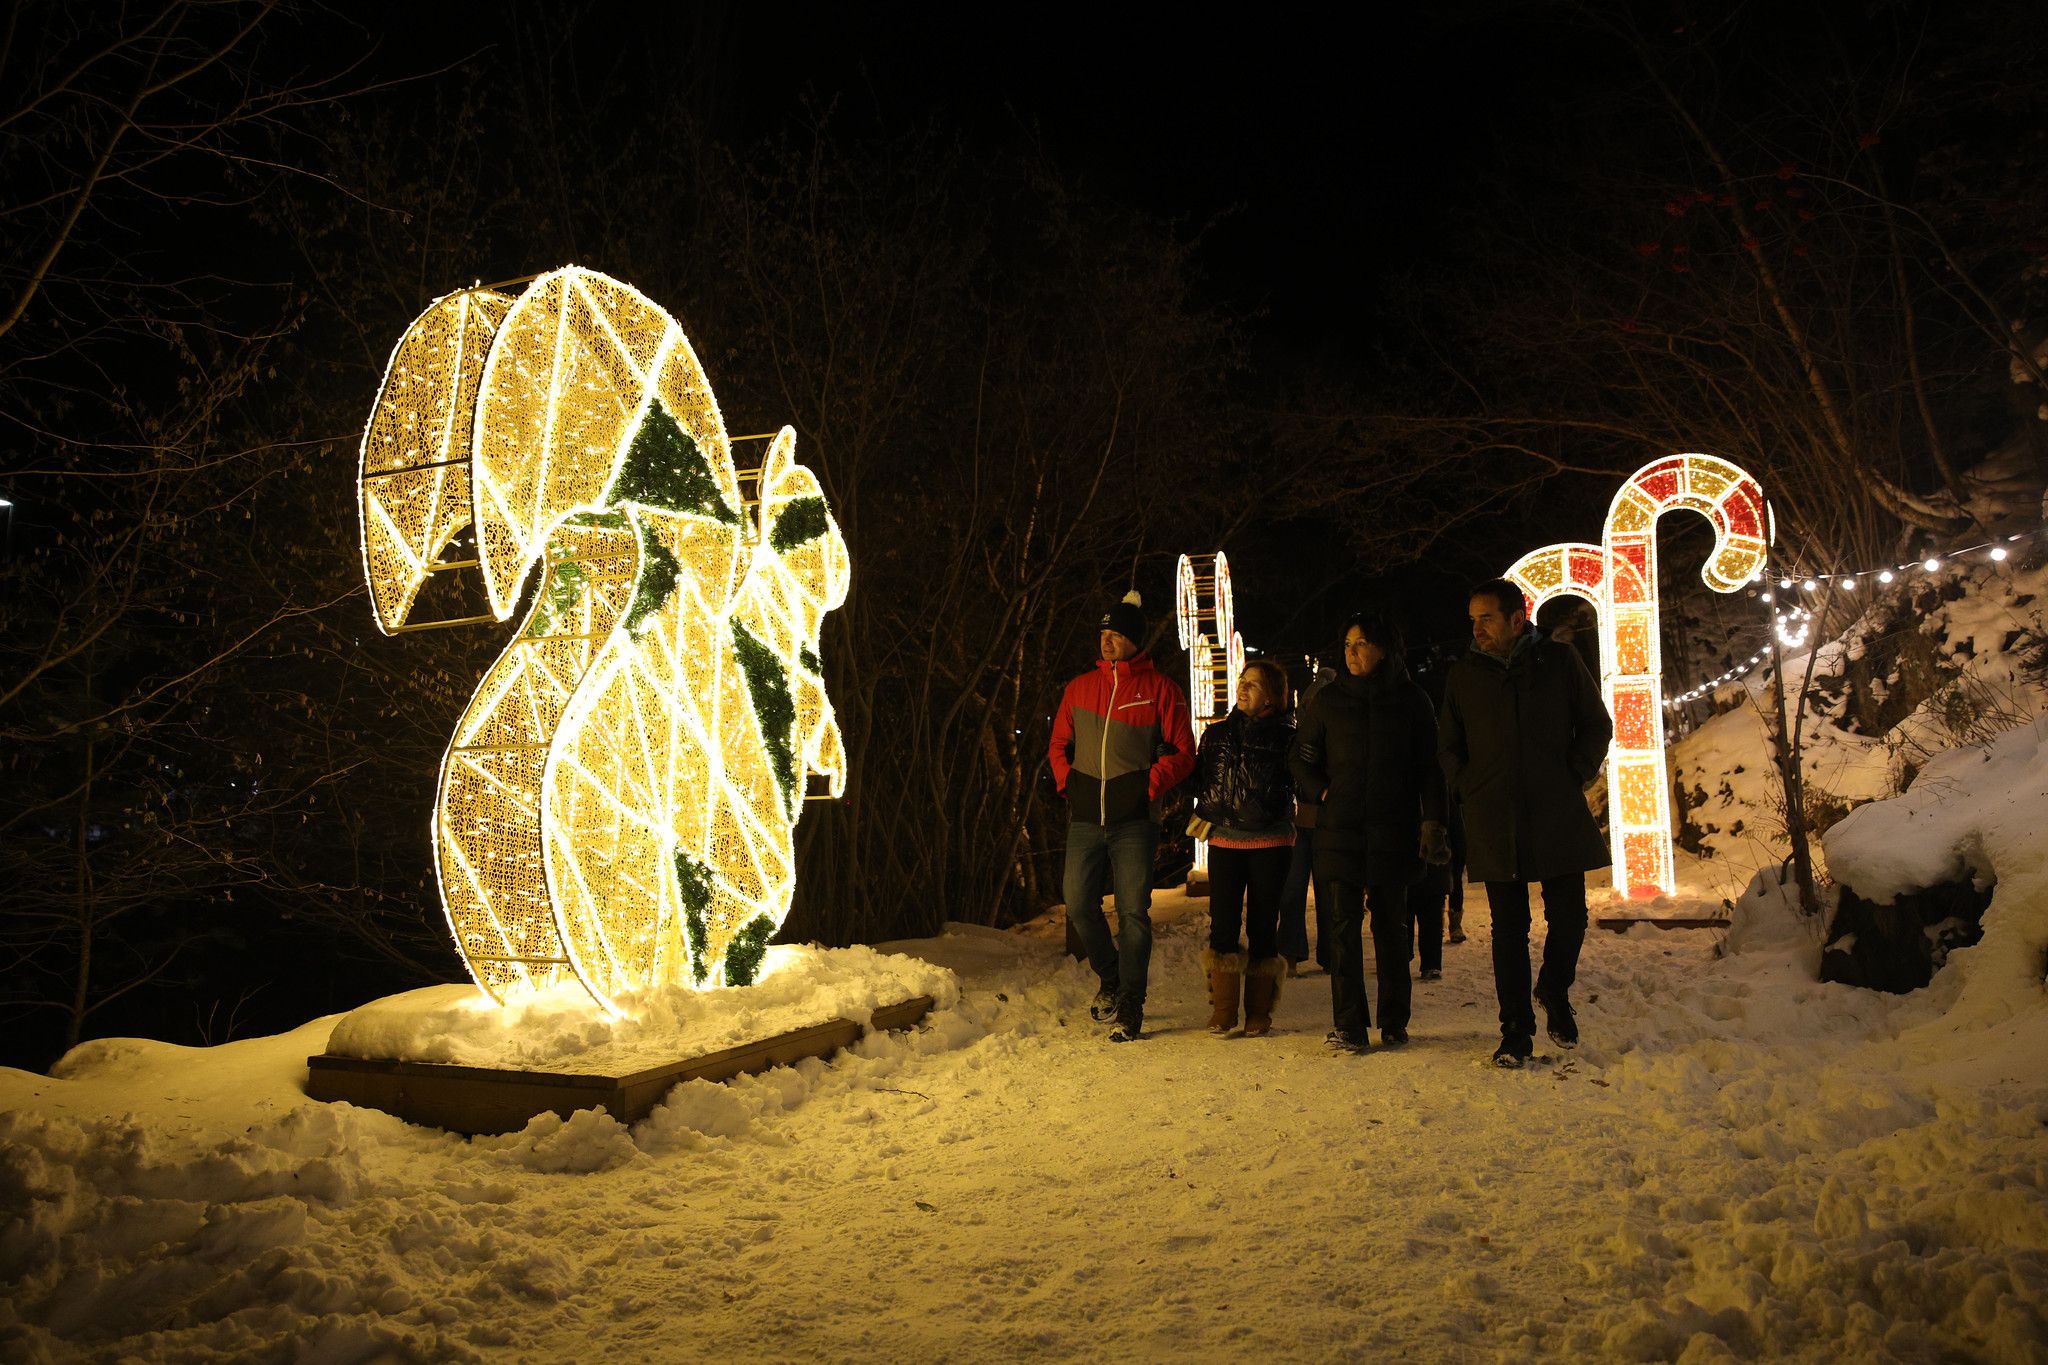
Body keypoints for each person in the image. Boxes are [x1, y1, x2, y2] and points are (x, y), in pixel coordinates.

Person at [1439, 578, 1614, 1068]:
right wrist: (1468, 786)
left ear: (1517, 619)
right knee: (1508, 930)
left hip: (1555, 809)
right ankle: (1515, 1032)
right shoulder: (1465, 675)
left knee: (1570, 917)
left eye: (1487, 618)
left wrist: (1573, 772)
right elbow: (1448, 745)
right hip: (1494, 816)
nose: (1477, 629)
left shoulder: (1559, 661)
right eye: (1472, 619)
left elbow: (1596, 724)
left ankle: (1554, 988)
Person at [1291, 613, 1448, 1053]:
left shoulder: (1412, 701)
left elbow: (1430, 768)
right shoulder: (1328, 701)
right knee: (1341, 929)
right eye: (1347, 644)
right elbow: (1300, 758)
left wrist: (1433, 822)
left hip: (1393, 829)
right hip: (1339, 829)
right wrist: (1321, 790)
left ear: (1384, 648)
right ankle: (1349, 1025)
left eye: (1360, 643)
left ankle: (1394, 1021)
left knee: (1392, 928)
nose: (1352, 652)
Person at [1049, 590, 1196, 1042]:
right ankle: (1111, 978)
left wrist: (1147, 786)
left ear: (1134, 640)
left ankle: (1131, 1001)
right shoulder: (1079, 688)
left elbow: (1184, 752)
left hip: (1135, 821)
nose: (1107, 640)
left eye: (1115, 634)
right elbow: (1057, 745)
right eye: (1103, 633)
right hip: (1086, 819)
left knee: (1133, 912)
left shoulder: (1161, 690)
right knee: (1078, 903)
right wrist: (1068, 783)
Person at [1189, 658, 1296, 1036]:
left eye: (1253, 683)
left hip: (1271, 841)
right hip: (1225, 839)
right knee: (1223, 922)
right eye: (1242, 680)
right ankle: (1223, 1010)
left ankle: (1258, 1012)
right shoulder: (1216, 735)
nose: (1242, 687)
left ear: (1272, 696)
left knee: (1264, 924)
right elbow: (1199, 779)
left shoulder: (1289, 737)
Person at [1276, 662, 1335, 973]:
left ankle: (1329, 953)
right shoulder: (1294, 739)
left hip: (1324, 823)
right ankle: (1292, 951)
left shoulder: (1339, 739)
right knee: (1293, 890)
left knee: (1327, 893)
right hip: (1298, 823)